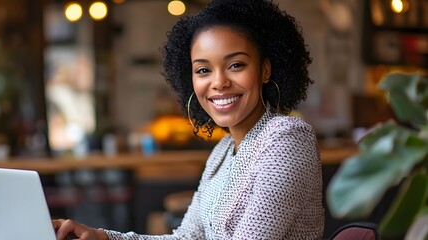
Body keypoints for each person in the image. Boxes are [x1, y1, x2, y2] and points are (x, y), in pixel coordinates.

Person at [52, 0, 324, 239]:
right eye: (203, 69)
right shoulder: (222, 152)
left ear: (265, 69)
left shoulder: (286, 137)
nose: (219, 82)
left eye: (236, 65)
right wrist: (102, 237)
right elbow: (187, 237)